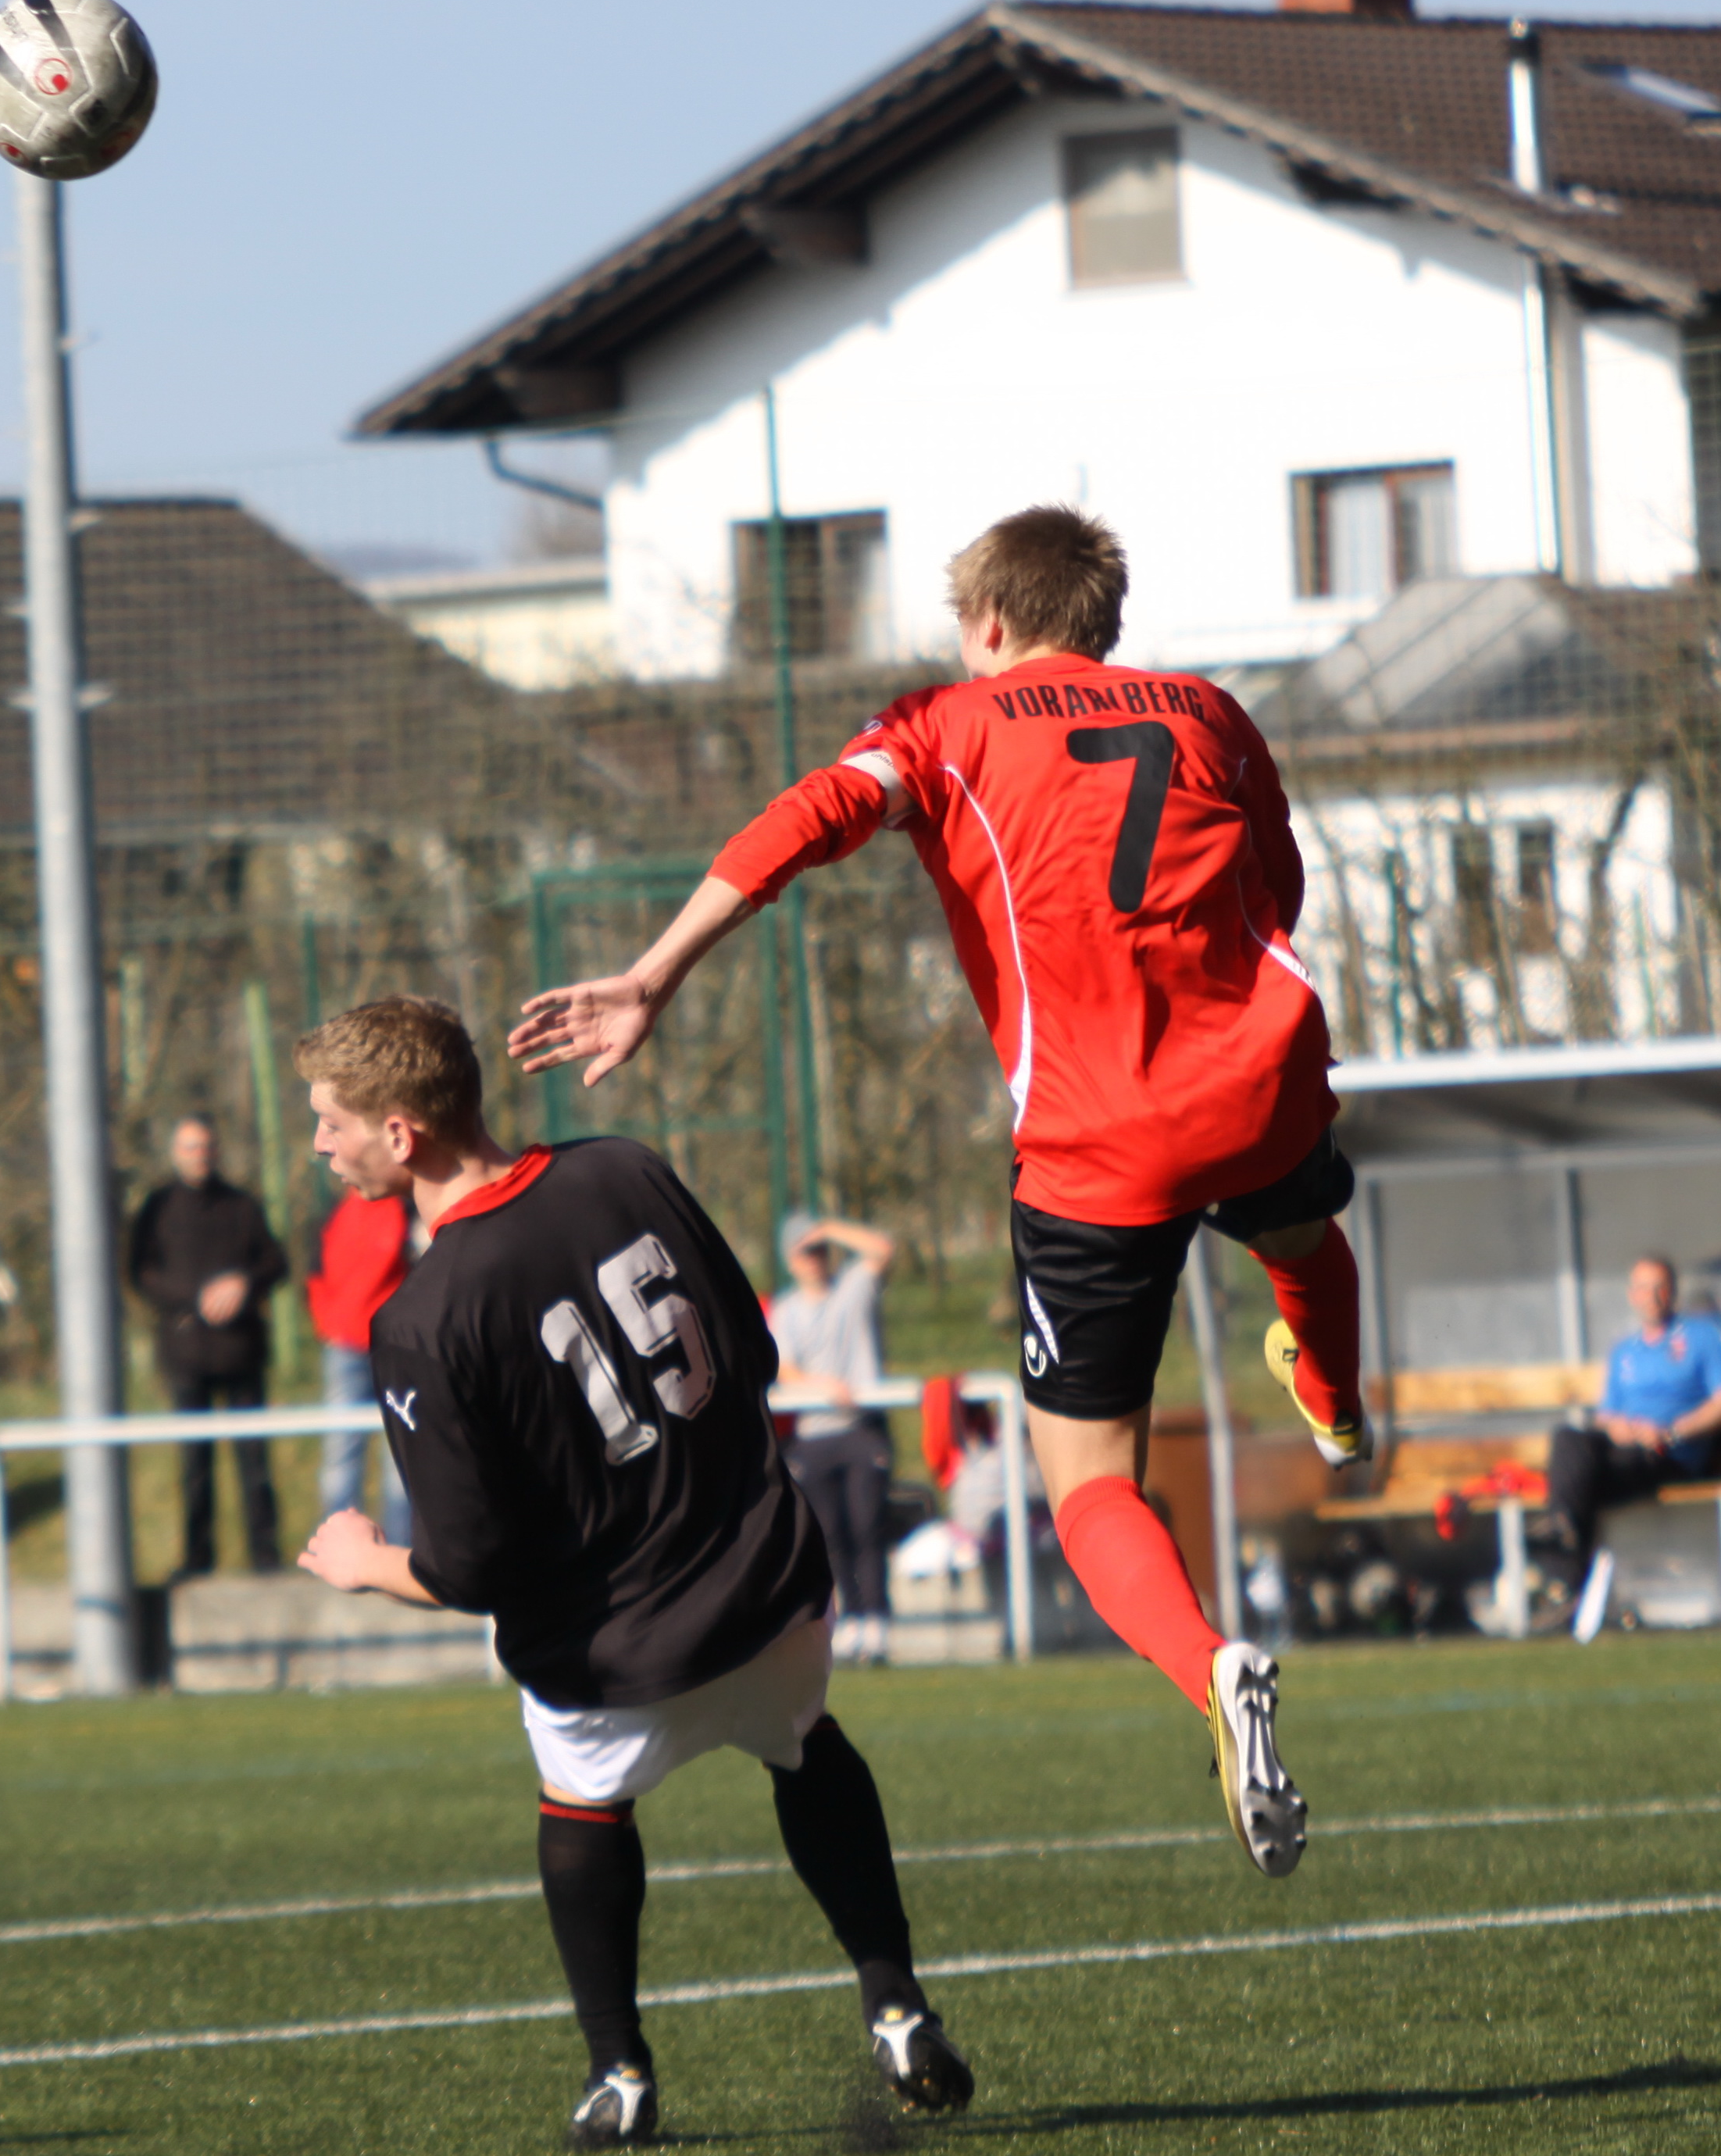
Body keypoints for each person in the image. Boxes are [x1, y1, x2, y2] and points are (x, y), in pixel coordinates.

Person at [510, 504, 1355, 1879]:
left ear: (990, 625)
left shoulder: (946, 724)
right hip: (1259, 1078)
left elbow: (805, 818)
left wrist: (653, 972)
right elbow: (1281, 891)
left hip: (1097, 1143)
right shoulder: (1209, 710)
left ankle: (1210, 1664)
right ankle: (1333, 1392)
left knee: (1089, 1484)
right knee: (1304, 1230)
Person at [295, 996, 971, 2146]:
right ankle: (896, 2001)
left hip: (613, 1653)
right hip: (767, 1590)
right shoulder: (626, 1167)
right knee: (808, 1745)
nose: (320, 1143)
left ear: (402, 1134)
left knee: (582, 1804)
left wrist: (366, 1562)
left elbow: (471, 1563)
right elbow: (752, 1351)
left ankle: (620, 2072)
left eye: (332, 1121)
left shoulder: (422, 1315)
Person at [129, 1115, 291, 1576]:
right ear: (174, 1152)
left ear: (217, 1151)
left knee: (254, 1462)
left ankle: (265, 1557)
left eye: (206, 1147)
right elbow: (140, 1273)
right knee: (194, 1464)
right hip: (187, 1357)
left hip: (241, 1353)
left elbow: (276, 1262)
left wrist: (244, 1284)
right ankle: (198, 1559)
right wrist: (193, 1299)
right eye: (190, 1147)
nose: (199, 1156)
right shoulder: (158, 1208)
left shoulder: (242, 1205)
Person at [1541, 1256, 1721, 1619]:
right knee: (1567, 1439)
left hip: (1670, 1454)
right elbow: (1606, 1415)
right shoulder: (1625, 1350)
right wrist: (1622, 1428)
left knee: (1577, 1484)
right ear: (1632, 1294)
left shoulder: (1702, 1337)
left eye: (1659, 1287)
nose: (1651, 1296)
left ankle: (1562, 1579)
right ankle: (1564, 1550)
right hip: (1625, 1449)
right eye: (1643, 1287)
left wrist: (1672, 1432)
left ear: (1672, 1292)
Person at [769, 1212, 898, 1664]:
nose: (816, 1259)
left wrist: (828, 1228)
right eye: (806, 1252)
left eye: (820, 1250)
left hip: (860, 1429)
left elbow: (882, 1249)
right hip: (816, 1435)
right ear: (791, 1260)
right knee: (831, 1534)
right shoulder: (786, 1310)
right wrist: (824, 1387)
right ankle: (852, 1619)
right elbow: (785, 1369)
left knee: (867, 1526)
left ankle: (877, 1620)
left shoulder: (853, 1288)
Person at [309, 1187, 416, 1544]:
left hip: (396, 1345)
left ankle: (402, 1548)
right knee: (342, 1452)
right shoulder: (335, 1211)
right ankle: (340, 1543)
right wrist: (330, 1324)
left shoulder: (406, 1209)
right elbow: (315, 1272)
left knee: (400, 1454)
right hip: (346, 1346)